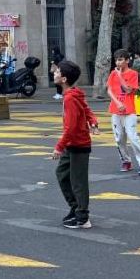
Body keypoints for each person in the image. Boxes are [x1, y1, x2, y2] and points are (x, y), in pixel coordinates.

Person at [51, 59, 99, 229]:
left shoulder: (71, 98)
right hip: (72, 143)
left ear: (64, 79)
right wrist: (93, 121)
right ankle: (75, 207)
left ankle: (82, 216)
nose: (54, 73)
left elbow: (70, 128)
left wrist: (59, 146)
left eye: (57, 71)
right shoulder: (73, 94)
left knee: (78, 181)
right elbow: (86, 110)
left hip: (78, 144)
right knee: (62, 174)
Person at [107, 48, 140, 175]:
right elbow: (109, 90)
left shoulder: (133, 74)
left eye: (120, 60)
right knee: (119, 138)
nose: (118, 63)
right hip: (116, 110)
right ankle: (126, 161)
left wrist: (120, 76)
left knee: (132, 137)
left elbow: (128, 90)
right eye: (116, 60)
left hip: (129, 111)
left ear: (127, 60)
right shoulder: (112, 74)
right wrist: (117, 102)